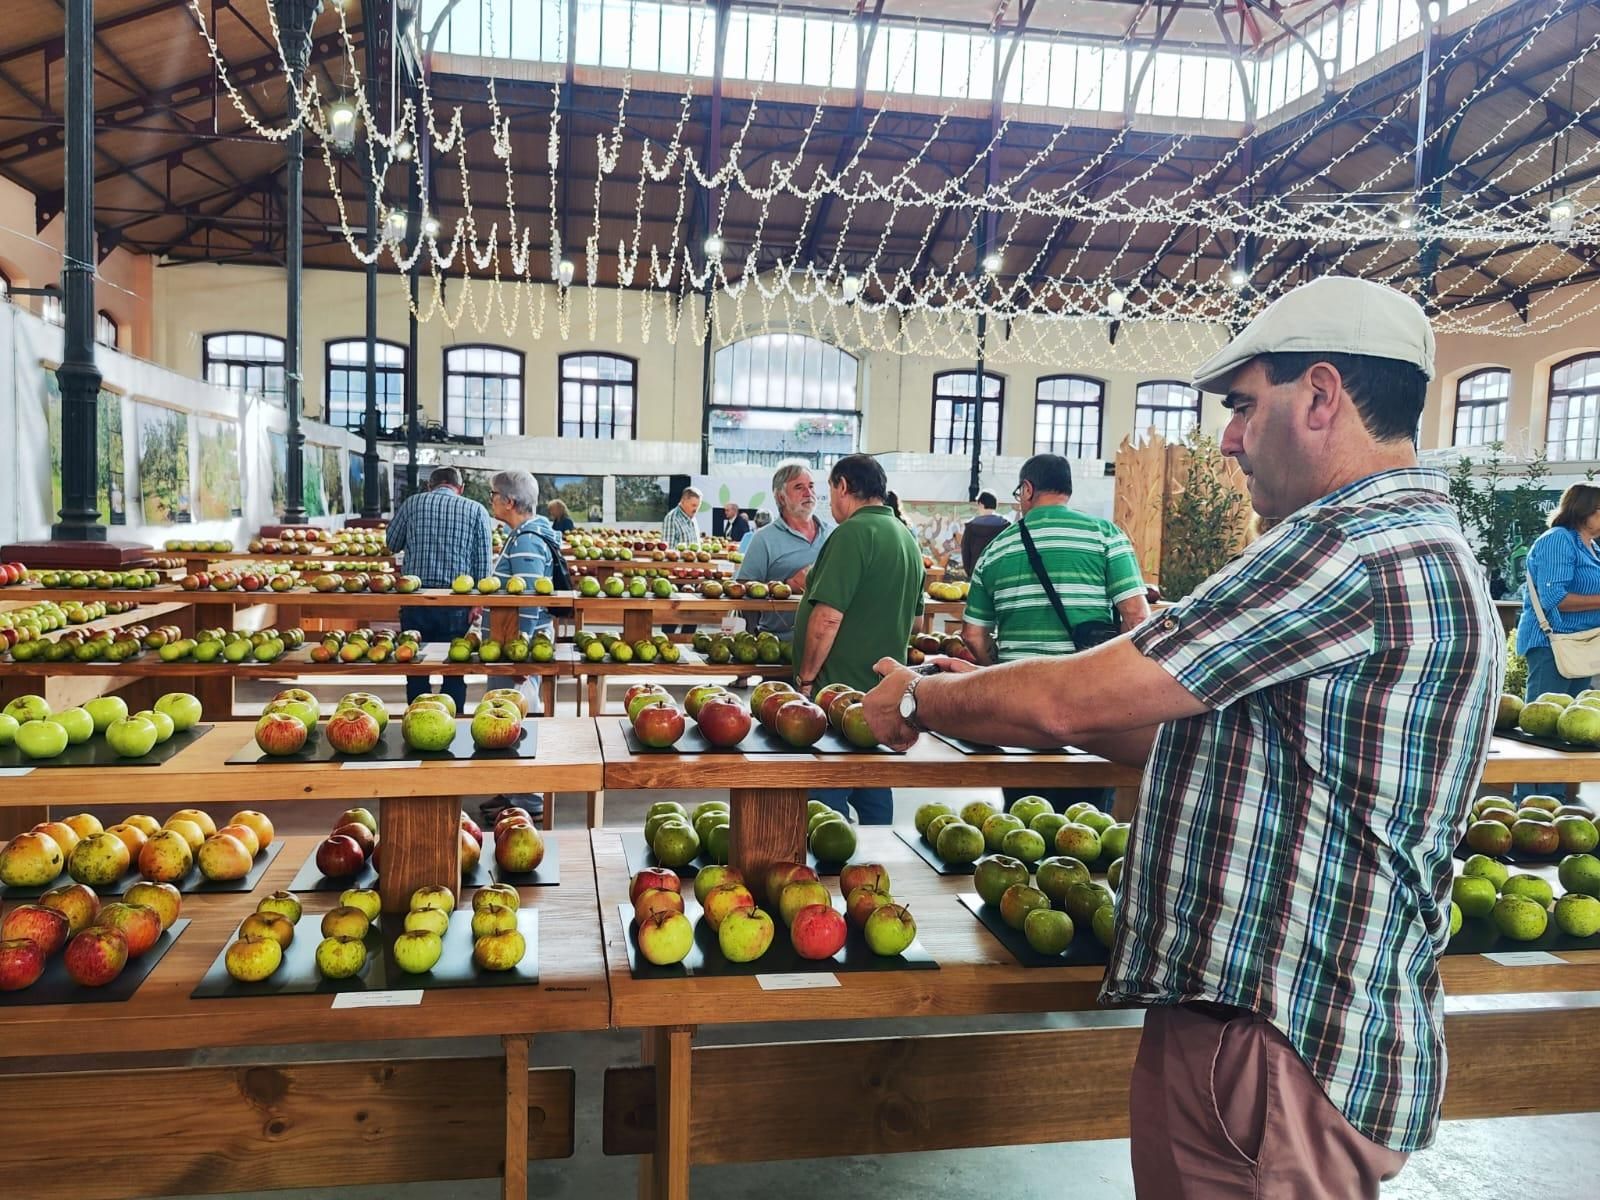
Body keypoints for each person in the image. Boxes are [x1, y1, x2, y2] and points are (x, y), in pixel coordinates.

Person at [859, 277, 1501, 1197]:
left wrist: (920, 699)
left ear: (1320, 395)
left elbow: (1075, 701)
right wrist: (988, 694)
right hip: (1309, 1024)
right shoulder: (1425, 538)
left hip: (1273, 1036)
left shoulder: (1341, 546)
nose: (1230, 438)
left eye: (1244, 406)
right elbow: (1217, 748)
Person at [963, 453, 1150, 813]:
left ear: (1028, 489)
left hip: (1019, 710)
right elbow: (1138, 618)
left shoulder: (996, 550)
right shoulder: (1106, 535)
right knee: (1087, 824)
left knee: (1021, 823)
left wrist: (1001, 670)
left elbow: (974, 635)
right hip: (1090, 704)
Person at [794, 453, 923, 824]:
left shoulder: (852, 533)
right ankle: (876, 866)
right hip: (885, 692)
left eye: (830, 489)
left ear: (844, 486)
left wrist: (805, 680)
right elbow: (916, 622)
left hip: (838, 692)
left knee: (827, 793)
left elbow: (827, 618)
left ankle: (830, 875)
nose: (829, 501)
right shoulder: (906, 538)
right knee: (873, 785)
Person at [480, 470, 559, 823]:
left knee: (520, 720)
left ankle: (527, 799)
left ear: (508, 501)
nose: (491, 499)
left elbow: (527, 600)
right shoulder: (524, 534)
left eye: (493, 494)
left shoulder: (527, 540)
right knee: (505, 721)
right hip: (508, 644)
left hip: (517, 648)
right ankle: (511, 791)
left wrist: (521, 657)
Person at [386, 465, 493, 712]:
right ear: (461, 488)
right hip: (456, 603)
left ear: (429, 486)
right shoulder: (476, 510)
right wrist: (477, 603)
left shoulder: (413, 504)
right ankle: (451, 723)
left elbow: (392, 543)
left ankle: (417, 718)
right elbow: (483, 565)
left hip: (415, 600)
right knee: (455, 668)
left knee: (414, 665)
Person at [1514, 483, 1600, 782]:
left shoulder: (1592, 546)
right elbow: (1555, 600)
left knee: (1571, 736)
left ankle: (1559, 806)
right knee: (1543, 734)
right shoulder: (1558, 541)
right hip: (1552, 645)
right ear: (1584, 511)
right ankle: (1533, 804)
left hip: (1582, 647)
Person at [736, 461, 833, 636]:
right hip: (780, 643)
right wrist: (787, 585)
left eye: (811, 486)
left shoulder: (833, 534)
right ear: (781, 497)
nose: (808, 493)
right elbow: (742, 590)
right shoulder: (764, 539)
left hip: (830, 644)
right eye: (799, 487)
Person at [961, 490, 1008, 574]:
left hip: (977, 572)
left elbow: (965, 552)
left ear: (981, 504)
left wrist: (969, 572)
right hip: (998, 573)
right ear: (996, 505)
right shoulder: (1006, 525)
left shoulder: (971, 526)